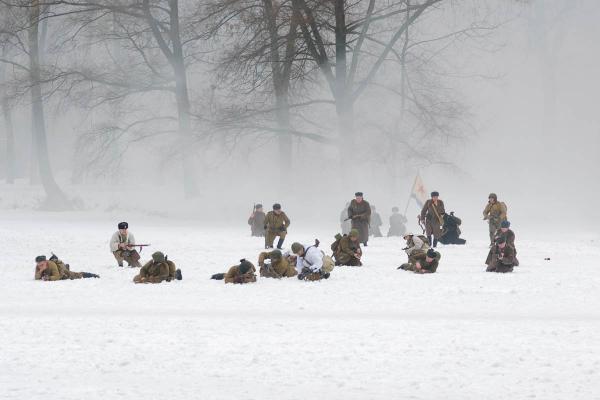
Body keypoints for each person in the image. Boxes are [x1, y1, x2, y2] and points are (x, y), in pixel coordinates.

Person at [34, 255, 99, 280]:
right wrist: (40, 271)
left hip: (62, 272)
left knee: (76, 275)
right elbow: (36, 277)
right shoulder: (38, 266)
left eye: (41, 264)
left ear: (45, 262)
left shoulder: (52, 264)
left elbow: (57, 276)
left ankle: (93, 275)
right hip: (56, 273)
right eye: (38, 264)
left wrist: (49, 278)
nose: (40, 266)